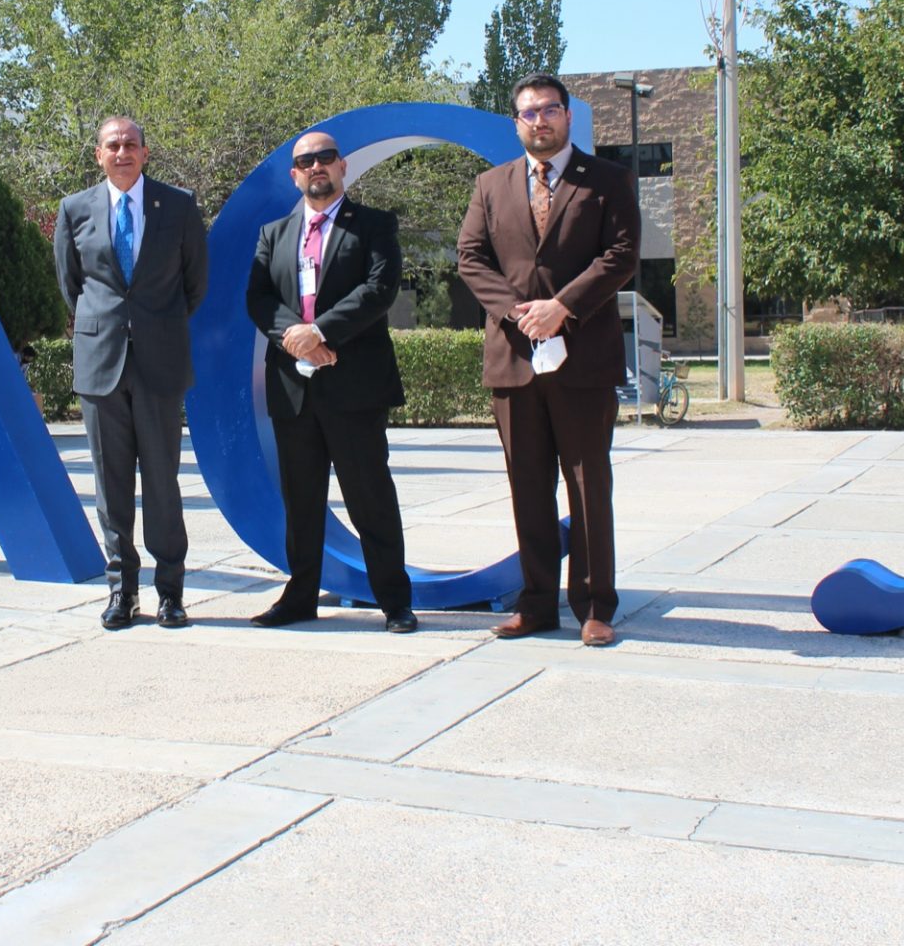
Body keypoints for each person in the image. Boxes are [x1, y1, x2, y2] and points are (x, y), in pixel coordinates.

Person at [457, 73, 640, 646]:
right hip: (514, 360)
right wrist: (519, 314)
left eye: (549, 109)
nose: (540, 120)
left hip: (583, 359)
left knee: (588, 485)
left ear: (567, 116)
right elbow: (470, 257)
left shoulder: (607, 180)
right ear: (517, 123)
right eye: (529, 112)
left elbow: (622, 254)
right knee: (528, 486)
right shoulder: (491, 185)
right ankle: (536, 604)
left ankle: (594, 606)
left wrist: (562, 307)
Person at [245, 130, 418, 633]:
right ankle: (300, 598)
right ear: (294, 175)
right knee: (301, 502)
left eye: (325, 157)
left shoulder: (374, 225)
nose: (316, 166)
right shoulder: (274, 233)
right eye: (305, 161)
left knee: (370, 498)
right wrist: (295, 339)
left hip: (354, 386)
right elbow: (258, 298)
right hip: (293, 388)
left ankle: (395, 602)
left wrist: (319, 331)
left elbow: (379, 288)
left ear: (342, 166)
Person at [53, 116, 209, 630]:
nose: (122, 152)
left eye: (130, 145)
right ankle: (122, 592)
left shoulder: (178, 205)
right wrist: (109, 326)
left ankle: (170, 593)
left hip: (160, 364)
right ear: (98, 155)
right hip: (101, 365)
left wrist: (154, 325)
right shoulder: (74, 209)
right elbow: (72, 286)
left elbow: (195, 283)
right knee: (111, 485)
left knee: (163, 483)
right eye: (112, 145)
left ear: (145, 153)